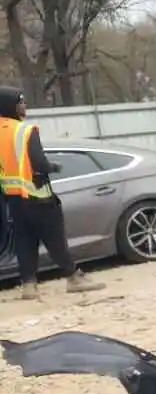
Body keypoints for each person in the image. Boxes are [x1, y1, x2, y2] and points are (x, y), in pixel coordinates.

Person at [0, 87, 104, 299]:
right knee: (54, 237)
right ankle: (74, 278)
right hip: (38, 195)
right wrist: (54, 167)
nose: (24, 106)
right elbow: (39, 163)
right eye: (21, 102)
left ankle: (29, 286)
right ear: (11, 105)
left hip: (13, 199)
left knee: (25, 240)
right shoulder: (26, 131)